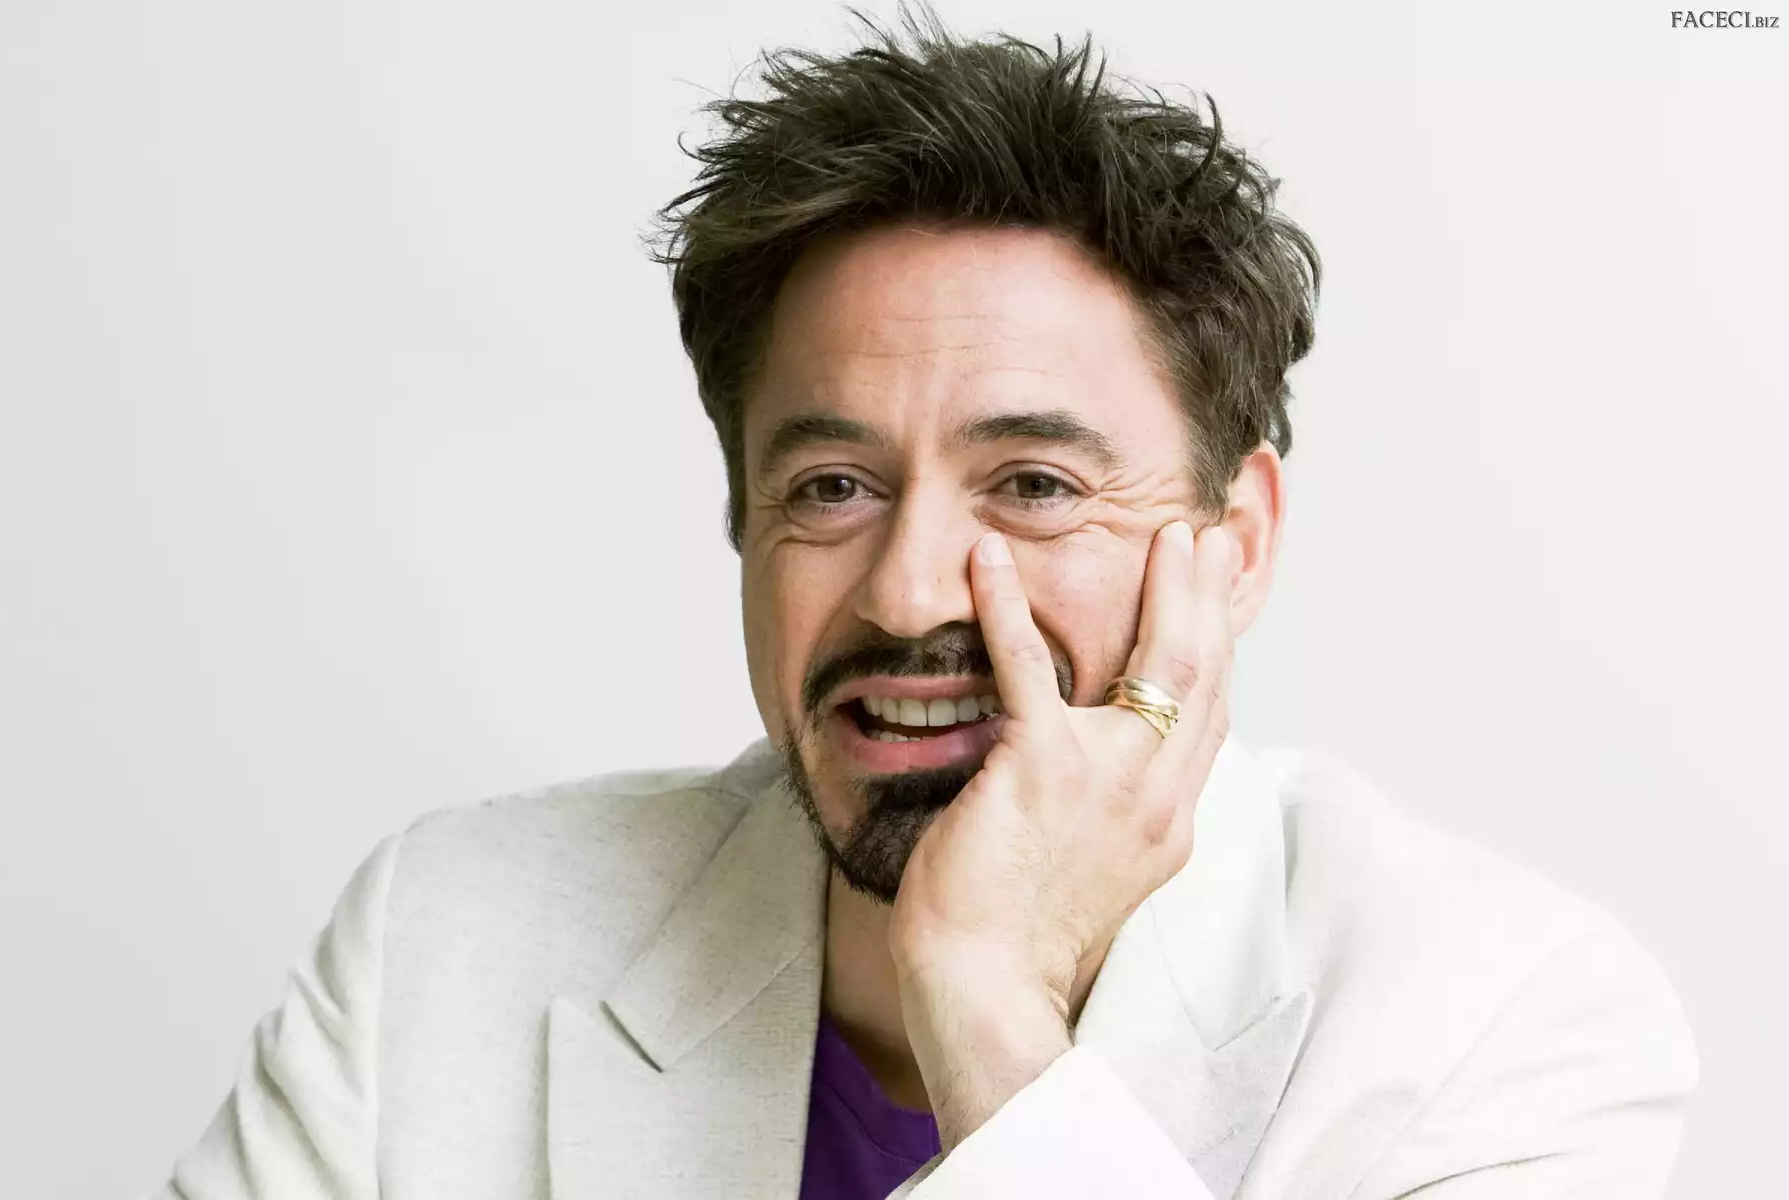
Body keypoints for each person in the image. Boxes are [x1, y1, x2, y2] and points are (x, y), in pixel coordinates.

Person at [146, 11, 1697, 1199]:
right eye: (832, 487)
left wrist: (989, 1009)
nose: (904, 593)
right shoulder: (444, 945)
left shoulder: (1501, 1021)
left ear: (1232, 547)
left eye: (1033, 485)